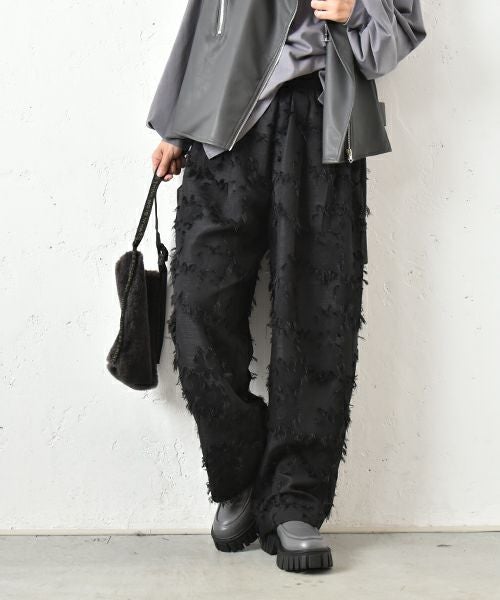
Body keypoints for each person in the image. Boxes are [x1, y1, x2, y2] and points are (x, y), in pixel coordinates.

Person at [146, 0, 426, 573]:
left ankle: (295, 501)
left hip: (323, 123)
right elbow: (204, 20)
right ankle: (242, 477)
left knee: (318, 319)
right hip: (224, 127)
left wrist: (353, 12)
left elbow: (399, 29)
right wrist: (175, 126)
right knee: (198, 311)